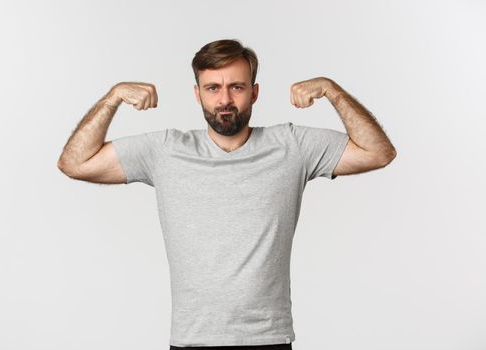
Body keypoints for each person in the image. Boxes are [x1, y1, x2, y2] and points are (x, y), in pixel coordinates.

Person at [57, 39, 397, 349]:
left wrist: (331, 90)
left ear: (254, 92)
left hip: (268, 338)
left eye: (236, 87)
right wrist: (113, 97)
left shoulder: (292, 146)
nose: (224, 100)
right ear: (197, 93)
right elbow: (75, 163)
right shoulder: (166, 150)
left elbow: (378, 153)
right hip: (192, 339)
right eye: (213, 88)